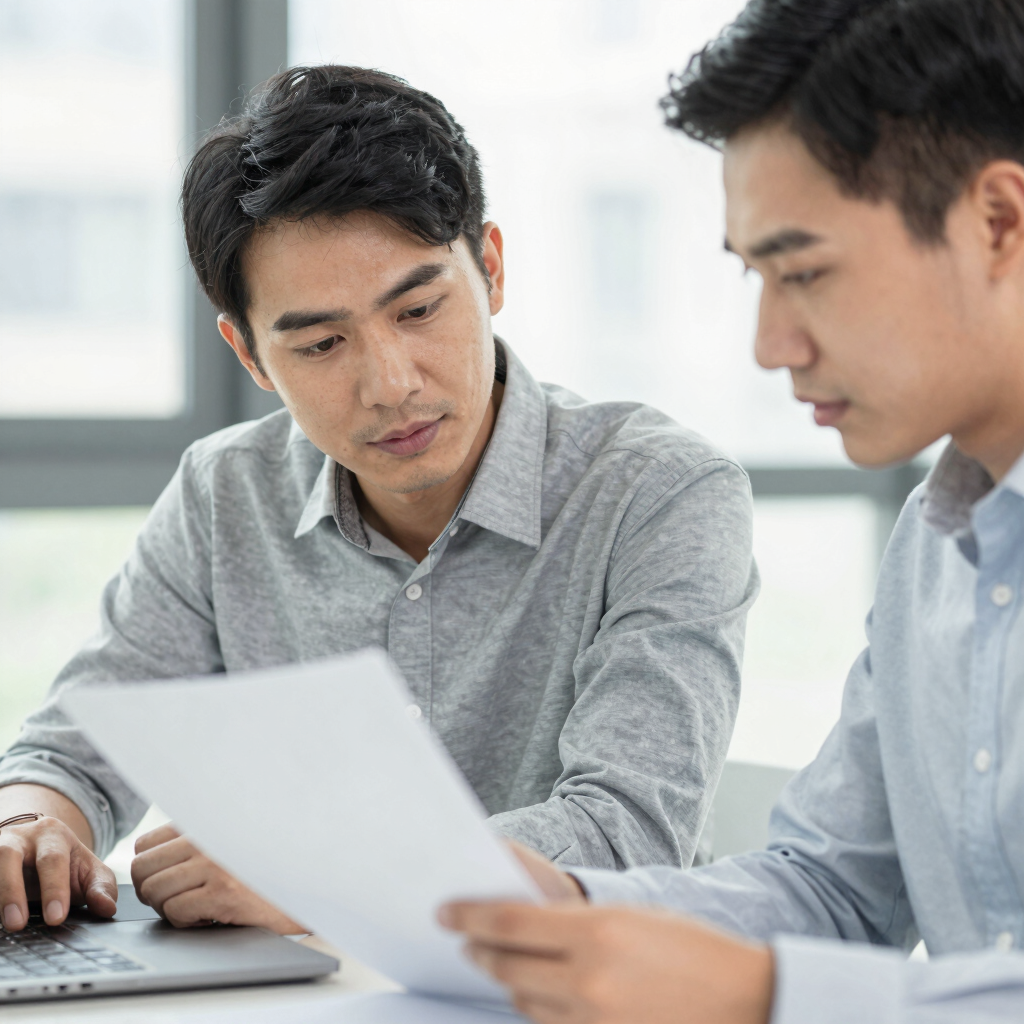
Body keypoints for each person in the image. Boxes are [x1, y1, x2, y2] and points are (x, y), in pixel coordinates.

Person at [0, 66, 756, 934]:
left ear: (492, 269)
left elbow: (626, 832)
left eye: (420, 309)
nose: (391, 385)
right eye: (322, 344)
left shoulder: (659, 493)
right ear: (250, 358)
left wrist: (324, 877)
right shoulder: (224, 494)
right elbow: (71, 755)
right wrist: (30, 827)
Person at [440, 0, 1024, 1021]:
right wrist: (568, 900)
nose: (769, 343)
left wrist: (764, 992)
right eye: (753, 274)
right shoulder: (937, 552)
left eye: (803, 272)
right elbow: (833, 888)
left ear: (999, 221)